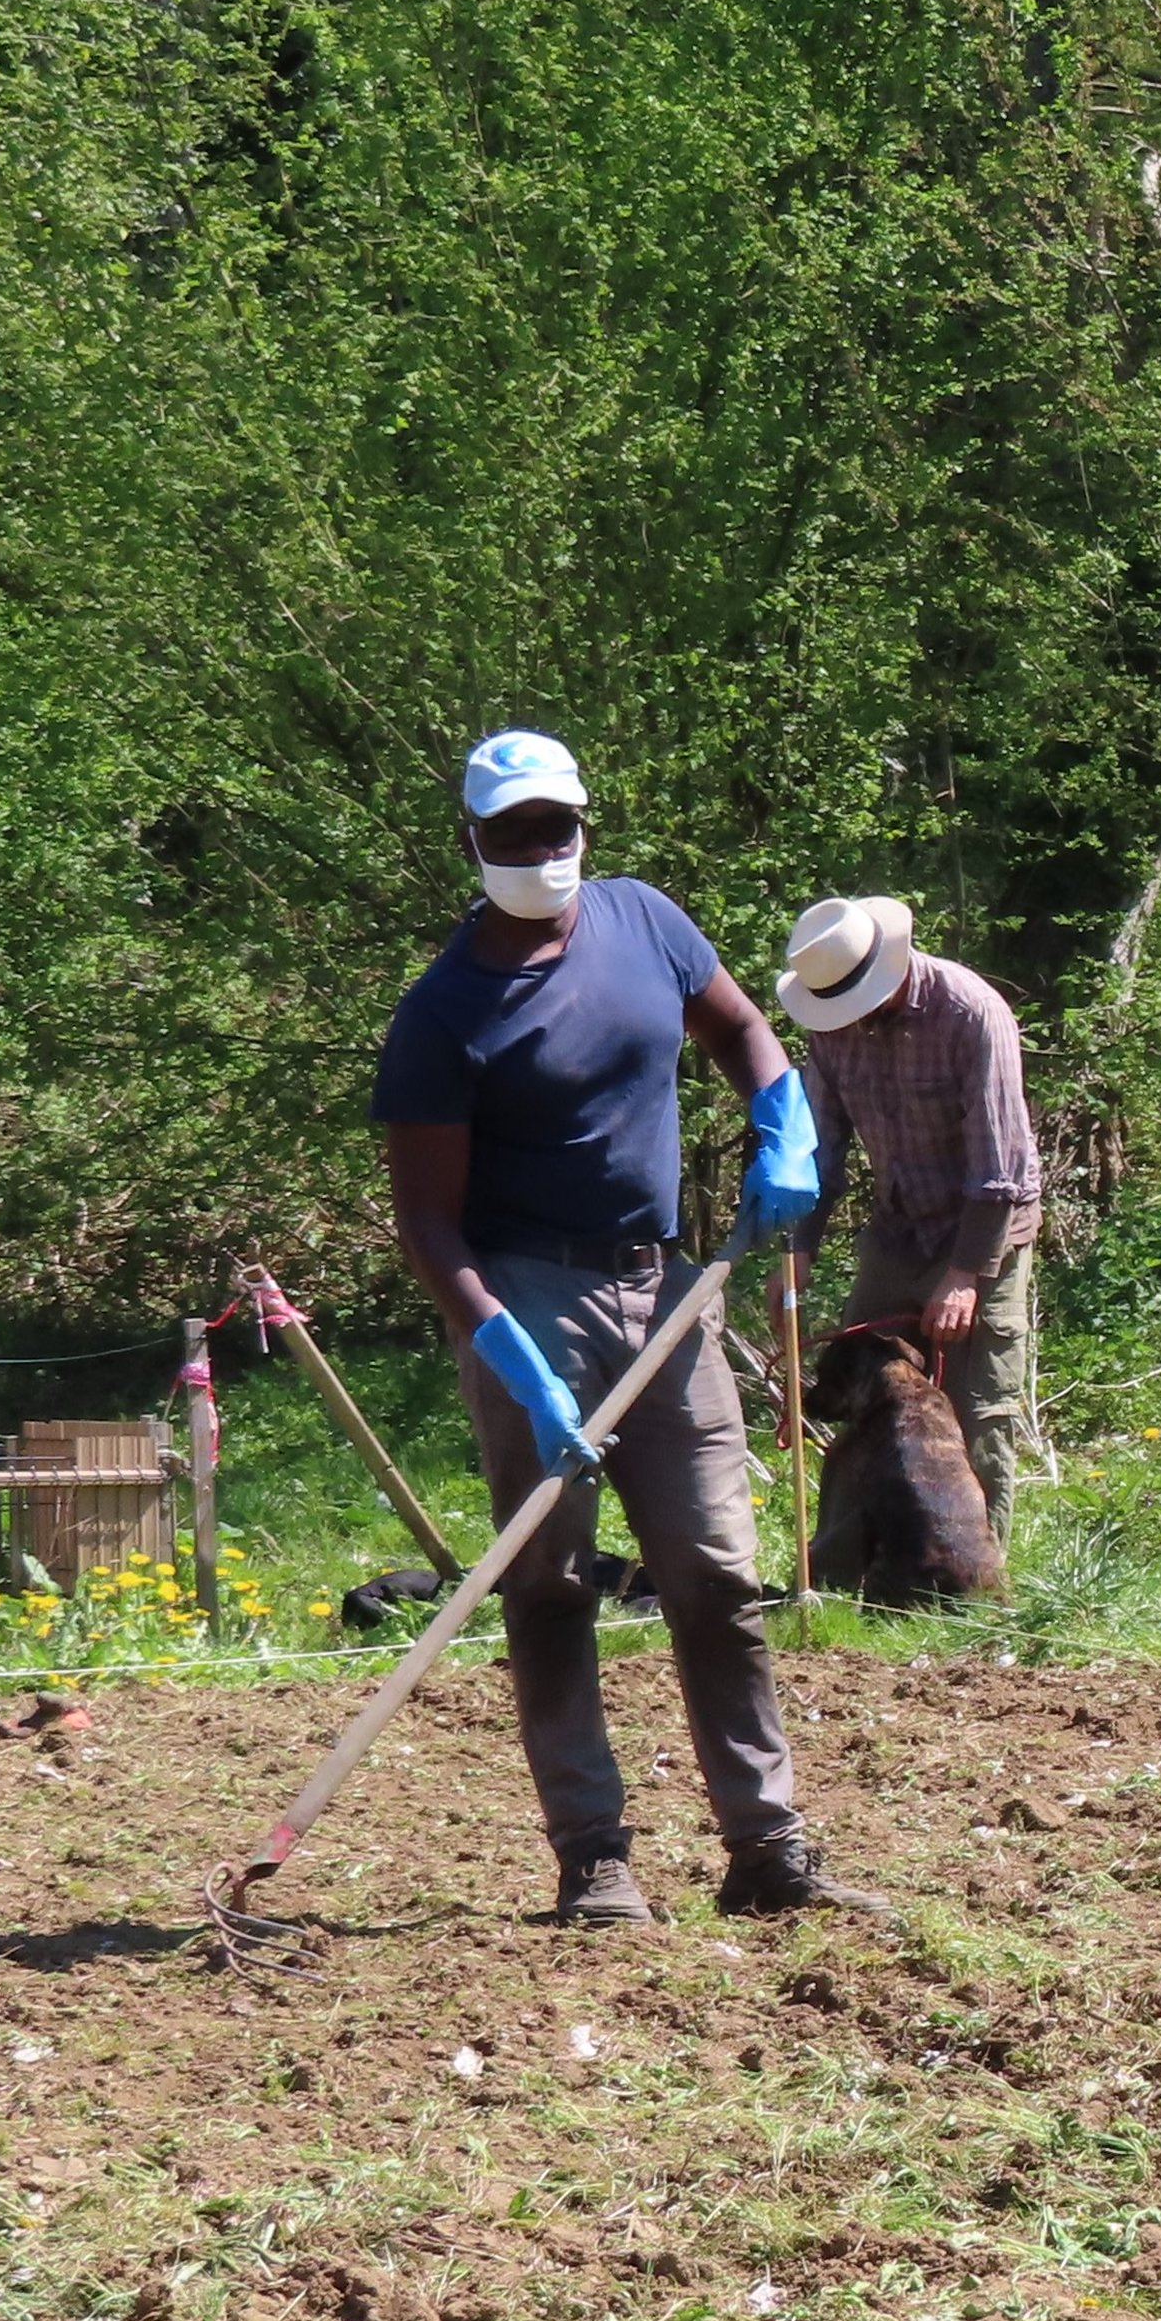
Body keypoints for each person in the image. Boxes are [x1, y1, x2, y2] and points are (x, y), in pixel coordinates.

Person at [372, 728, 833, 1923]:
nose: (541, 850)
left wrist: (783, 1115)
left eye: (557, 827)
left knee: (717, 1575)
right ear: (469, 841)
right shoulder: (444, 1016)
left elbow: (738, 1028)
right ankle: (593, 1855)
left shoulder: (644, 920)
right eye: (514, 832)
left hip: (668, 1284)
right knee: (551, 1580)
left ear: (584, 825)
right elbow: (428, 1225)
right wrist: (505, 1351)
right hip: (528, 1294)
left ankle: (765, 1847)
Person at [773, 894, 1047, 1537]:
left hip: (986, 1234)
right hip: (899, 1228)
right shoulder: (830, 1030)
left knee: (979, 1409)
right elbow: (821, 1146)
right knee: (857, 1386)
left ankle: (977, 1574)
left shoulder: (970, 1013)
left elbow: (999, 1161)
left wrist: (965, 1274)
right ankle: (844, 1559)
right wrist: (798, 1251)